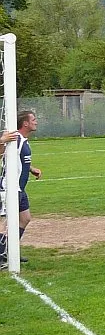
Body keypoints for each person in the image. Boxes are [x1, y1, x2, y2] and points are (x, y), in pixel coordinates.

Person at [0, 111, 41, 267]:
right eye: (33, 119)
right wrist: (2, 140)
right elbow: (2, 155)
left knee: (25, 218)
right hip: (9, 188)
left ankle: (9, 250)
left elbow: (15, 159)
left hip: (20, 189)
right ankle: (1, 256)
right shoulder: (15, 138)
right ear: (25, 123)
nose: (36, 122)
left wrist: (30, 168)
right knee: (4, 222)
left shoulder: (23, 140)